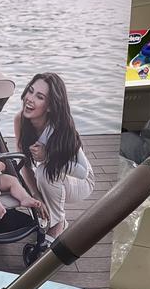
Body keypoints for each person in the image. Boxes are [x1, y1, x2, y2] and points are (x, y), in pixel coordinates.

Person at [14, 72, 94, 237]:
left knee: (44, 171)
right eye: (30, 91)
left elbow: (82, 172)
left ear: (50, 106)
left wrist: (48, 156)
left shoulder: (60, 127)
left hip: (81, 182)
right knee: (38, 175)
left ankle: (58, 223)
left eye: (40, 97)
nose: (30, 99)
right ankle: (51, 217)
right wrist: (36, 196)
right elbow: (24, 165)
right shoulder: (20, 120)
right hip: (55, 176)